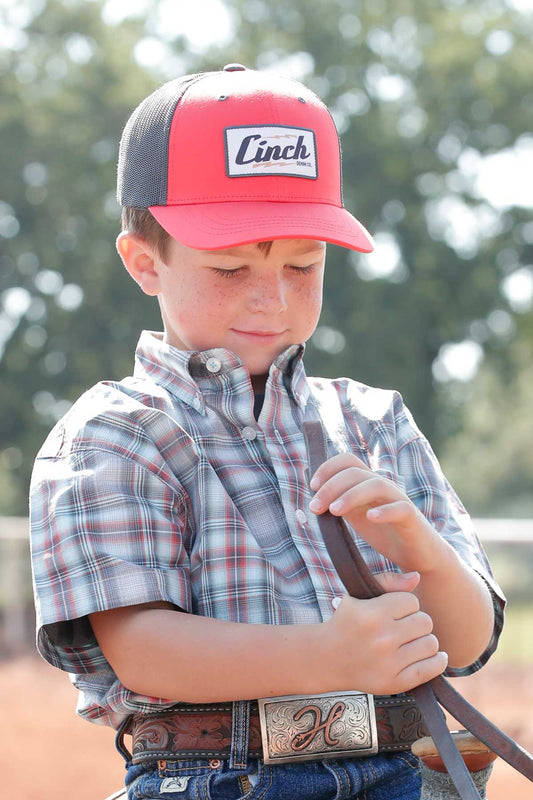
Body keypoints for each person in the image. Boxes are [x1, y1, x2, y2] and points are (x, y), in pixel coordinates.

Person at [30, 64, 505, 800]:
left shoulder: (374, 420)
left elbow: (466, 642)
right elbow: (144, 654)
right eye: (228, 267)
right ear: (143, 262)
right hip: (217, 775)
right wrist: (330, 656)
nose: (271, 299)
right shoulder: (114, 434)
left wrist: (419, 547)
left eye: (303, 265)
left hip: (403, 769)